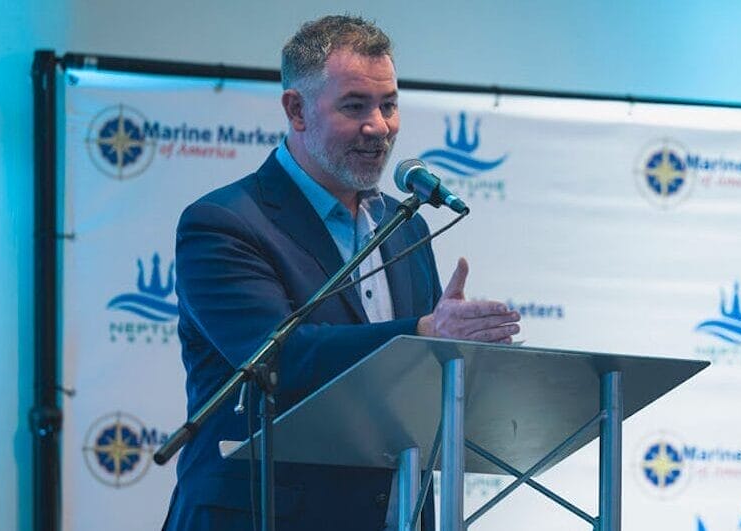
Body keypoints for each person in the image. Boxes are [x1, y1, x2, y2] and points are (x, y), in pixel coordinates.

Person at [162, 15, 520, 531]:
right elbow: (280, 358)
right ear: (296, 109)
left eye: (389, 105)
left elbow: (412, 395)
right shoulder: (224, 223)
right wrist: (420, 334)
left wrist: (460, 356)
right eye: (355, 106)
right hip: (262, 515)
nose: (379, 126)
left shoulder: (406, 227)